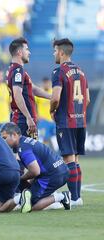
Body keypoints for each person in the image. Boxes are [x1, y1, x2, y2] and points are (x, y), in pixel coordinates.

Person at [50, 38, 90, 206]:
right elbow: (87, 99)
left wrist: (52, 110)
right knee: (75, 160)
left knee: (69, 160)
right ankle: (77, 196)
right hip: (80, 121)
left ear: (61, 52)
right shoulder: (81, 72)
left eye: (54, 51)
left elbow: (55, 97)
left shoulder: (58, 72)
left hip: (66, 121)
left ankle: (74, 198)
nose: (53, 54)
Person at [0, 122, 71, 213]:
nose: (3, 141)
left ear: (14, 135)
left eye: (4, 138)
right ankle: (48, 196)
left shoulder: (23, 148)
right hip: (61, 170)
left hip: (53, 175)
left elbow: (35, 171)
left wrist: (21, 178)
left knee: (30, 204)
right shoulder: (26, 141)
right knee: (27, 186)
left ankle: (62, 197)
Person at [6, 37, 51, 138]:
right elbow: (17, 94)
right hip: (22, 119)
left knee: (29, 151)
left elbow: (33, 88)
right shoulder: (18, 71)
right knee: (25, 151)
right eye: (26, 49)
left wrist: (51, 97)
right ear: (19, 52)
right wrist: (28, 117)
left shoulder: (15, 70)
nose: (29, 52)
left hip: (23, 118)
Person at [35, 77, 56, 144]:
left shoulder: (53, 92)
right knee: (43, 139)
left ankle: (54, 153)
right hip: (43, 120)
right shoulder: (39, 93)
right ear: (43, 84)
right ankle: (43, 153)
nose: (46, 84)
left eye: (47, 83)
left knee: (55, 139)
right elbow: (33, 104)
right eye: (45, 83)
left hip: (53, 120)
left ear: (50, 83)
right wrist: (36, 115)